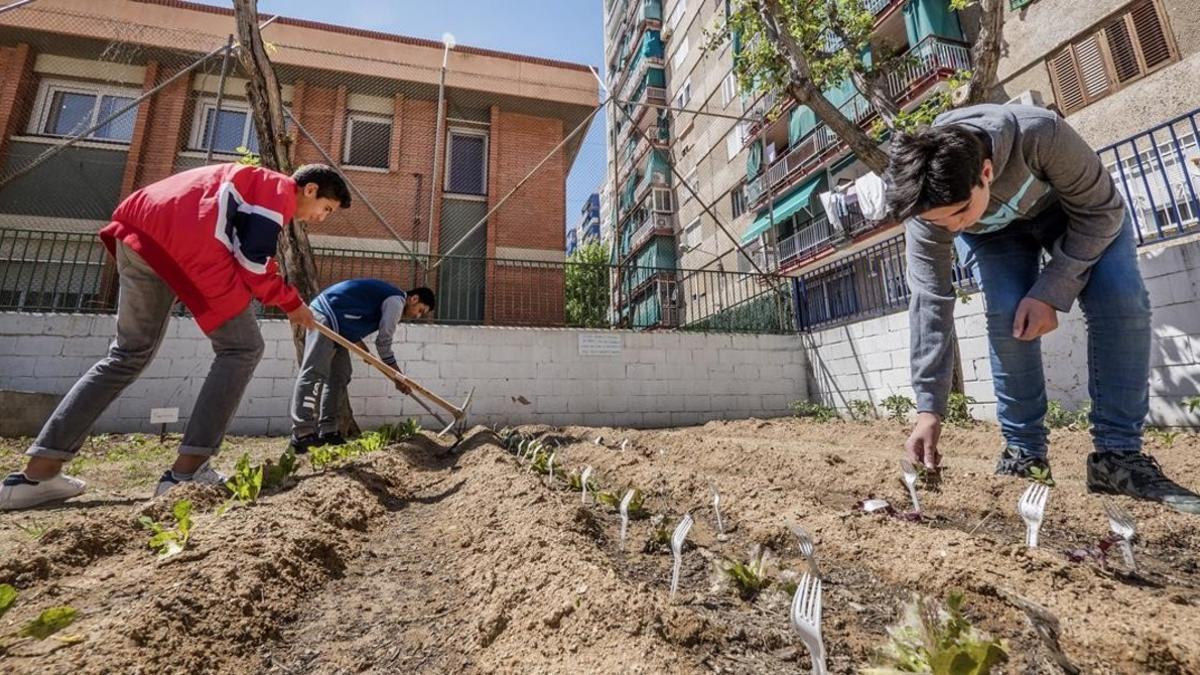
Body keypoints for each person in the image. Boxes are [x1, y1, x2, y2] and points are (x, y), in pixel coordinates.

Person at [886, 103, 1199, 513]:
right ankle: (1024, 455)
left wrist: (1051, 290)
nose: (954, 228)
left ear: (985, 172)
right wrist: (929, 408)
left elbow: (1103, 211)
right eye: (943, 223)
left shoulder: (1041, 133)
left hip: (1080, 215)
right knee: (1007, 313)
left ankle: (1118, 456)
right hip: (997, 238)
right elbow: (930, 301)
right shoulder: (926, 206)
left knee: (1120, 297)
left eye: (961, 212)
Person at [0, 163, 350, 511]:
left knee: (127, 353)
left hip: (139, 234)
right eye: (326, 209)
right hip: (188, 246)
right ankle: (186, 473)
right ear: (310, 189)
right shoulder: (276, 193)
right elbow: (252, 263)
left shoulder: (244, 178)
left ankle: (36, 476)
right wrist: (291, 303)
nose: (320, 218)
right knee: (242, 348)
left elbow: (243, 248)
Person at [288, 280, 435, 452]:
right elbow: (384, 343)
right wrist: (398, 377)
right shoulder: (396, 301)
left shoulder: (386, 301)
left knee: (341, 373)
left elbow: (352, 327)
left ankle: (328, 431)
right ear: (414, 299)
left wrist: (368, 354)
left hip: (340, 325)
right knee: (314, 370)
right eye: (420, 311)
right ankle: (302, 433)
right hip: (326, 315)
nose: (417, 316)